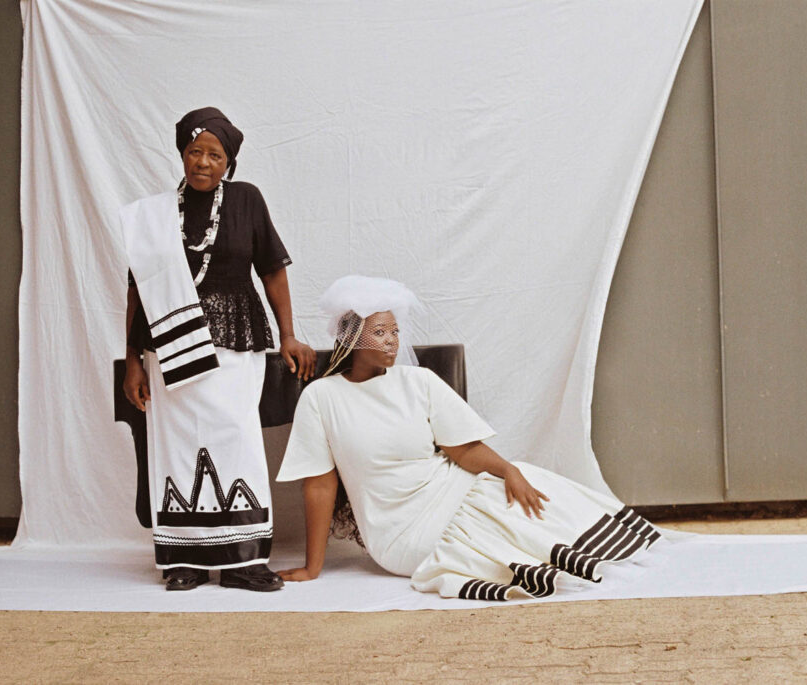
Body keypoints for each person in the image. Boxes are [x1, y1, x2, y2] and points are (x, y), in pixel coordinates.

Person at [275, 275, 660, 600]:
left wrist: (508, 470)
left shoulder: (418, 381)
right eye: (379, 332)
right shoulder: (321, 397)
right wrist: (313, 567)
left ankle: (603, 549)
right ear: (353, 337)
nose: (392, 341)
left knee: (528, 490)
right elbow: (320, 485)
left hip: (452, 487)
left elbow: (461, 448)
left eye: (395, 331)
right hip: (399, 531)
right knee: (495, 535)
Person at [121, 106, 316, 592]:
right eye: (194, 151)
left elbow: (272, 269)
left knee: (235, 436)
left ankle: (242, 561)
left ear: (229, 161)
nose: (203, 162)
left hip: (235, 337)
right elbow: (137, 290)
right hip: (166, 344)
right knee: (175, 441)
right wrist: (131, 360)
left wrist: (288, 333)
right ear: (181, 154)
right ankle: (183, 560)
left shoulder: (247, 200)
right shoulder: (155, 216)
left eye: (214, 154)